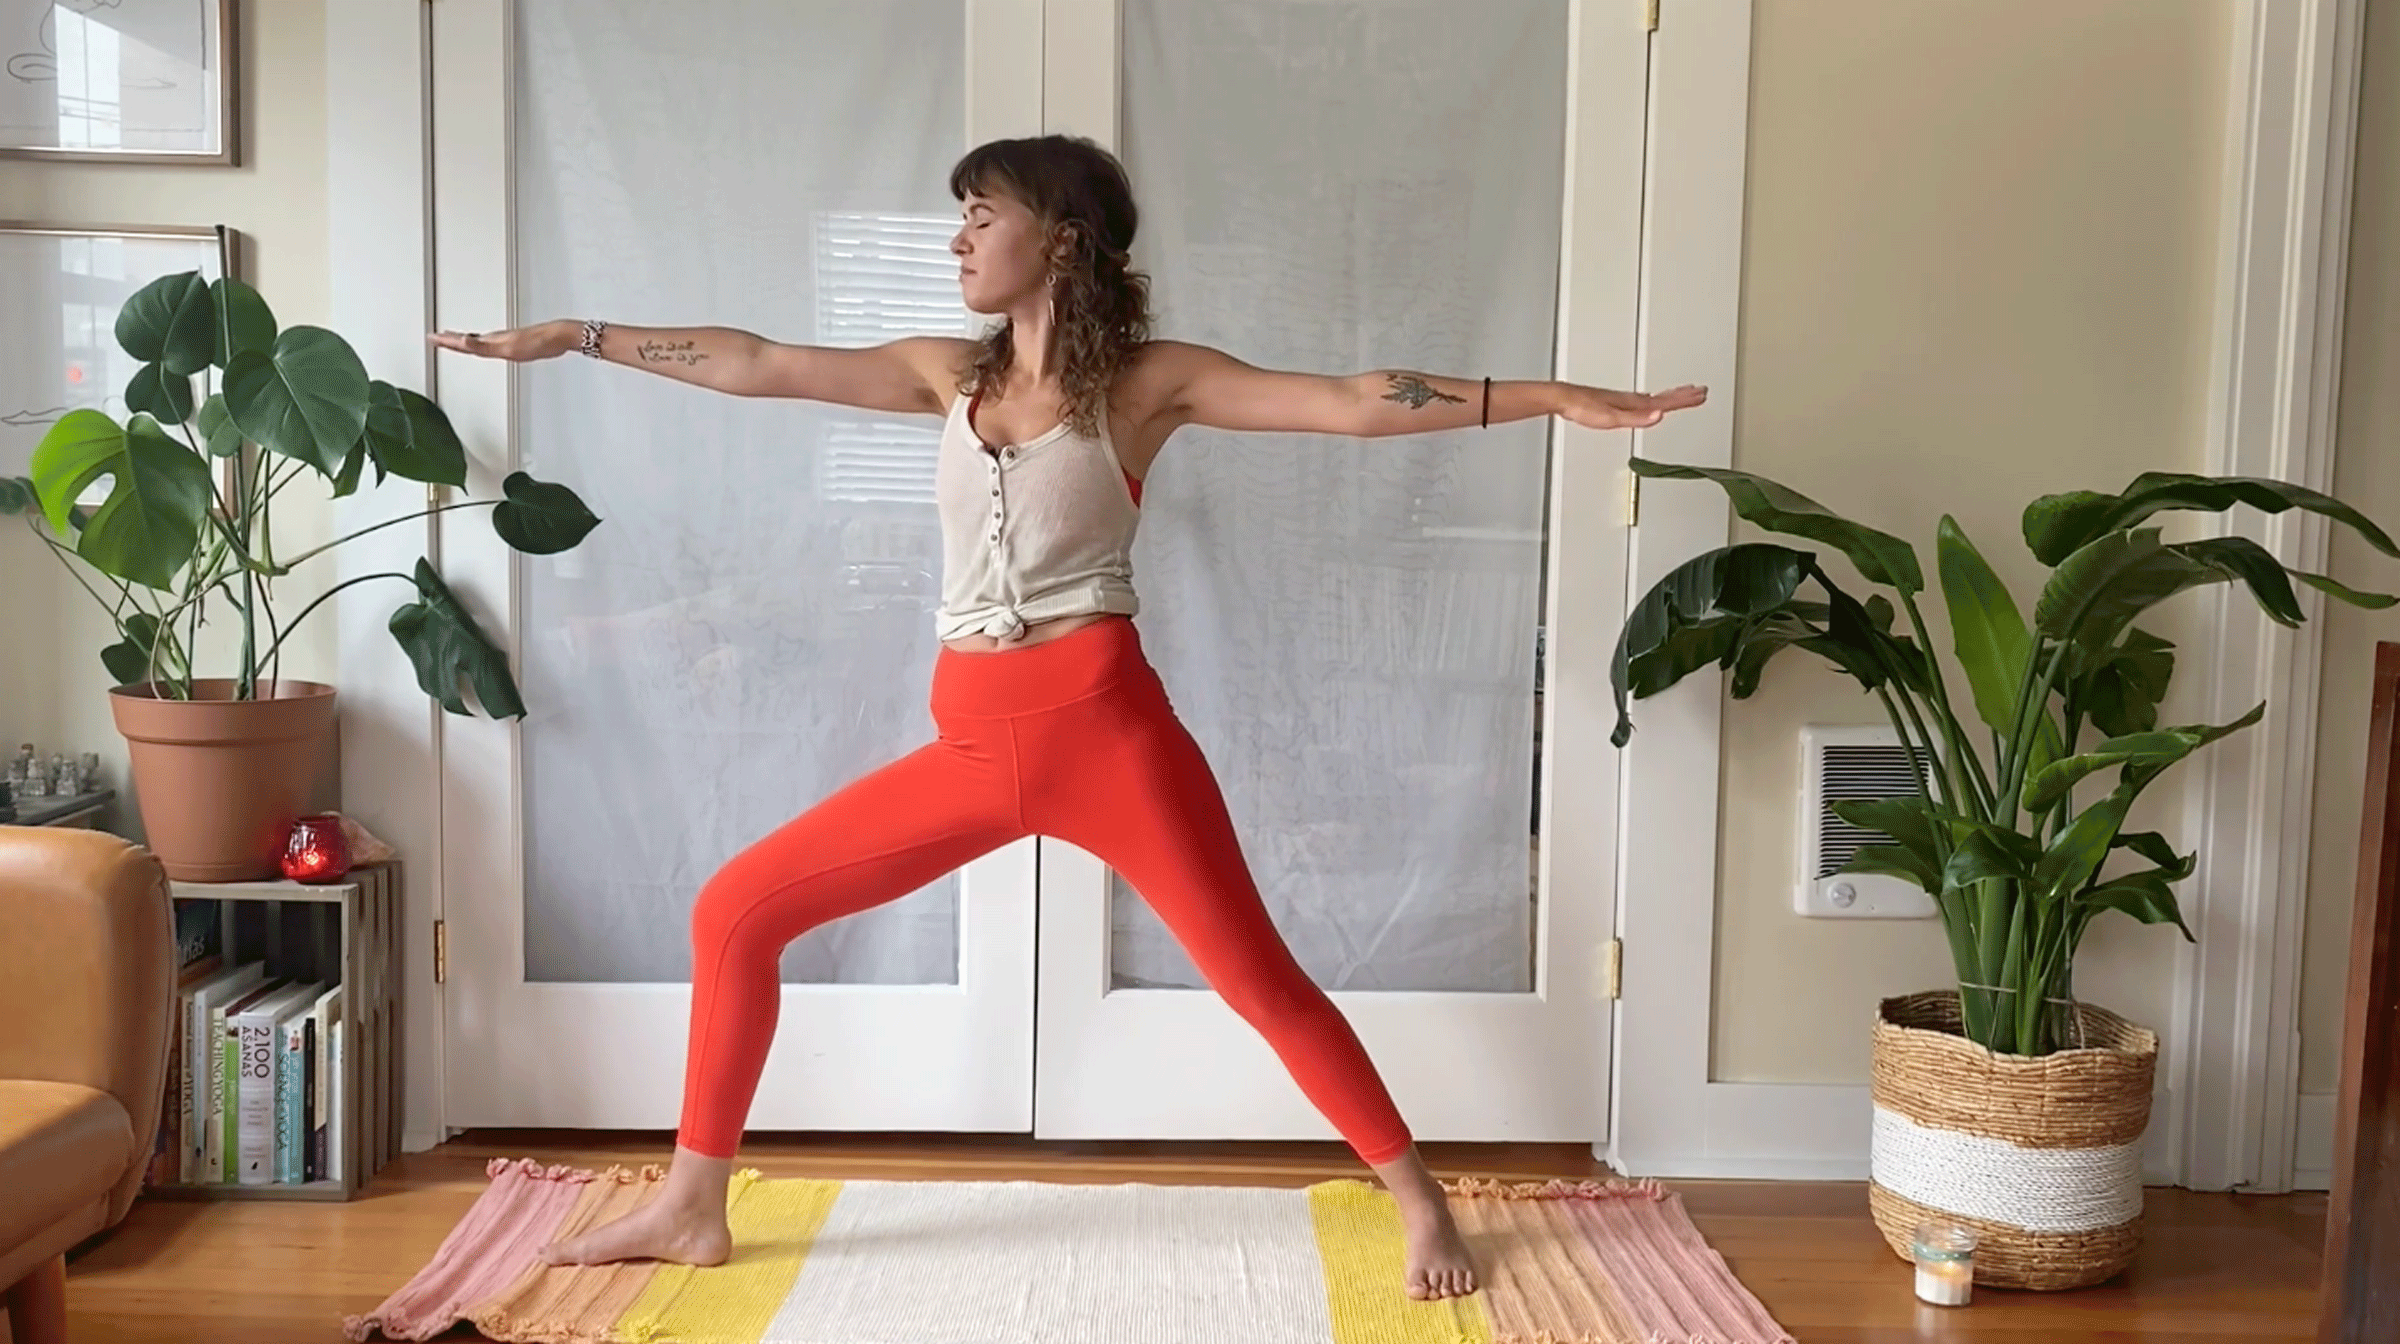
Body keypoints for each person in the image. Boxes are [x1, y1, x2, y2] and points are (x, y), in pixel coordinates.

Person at [432, 133, 1706, 1302]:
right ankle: (691, 1204)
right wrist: (580, 334)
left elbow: (1354, 400)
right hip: (972, 748)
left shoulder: (1150, 384)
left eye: (980, 215)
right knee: (734, 911)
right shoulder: (948, 375)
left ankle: (1420, 1200)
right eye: (959, 220)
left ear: (1062, 238)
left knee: (1258, 980)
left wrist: (1549, 398)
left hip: (1110, 741)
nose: (958, 240)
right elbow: (757, 361)